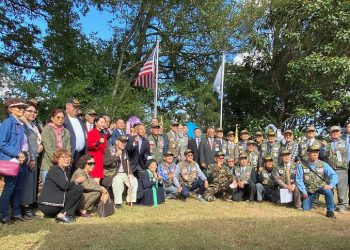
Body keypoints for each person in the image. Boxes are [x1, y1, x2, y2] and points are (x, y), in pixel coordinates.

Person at [0, 98, 28, 224]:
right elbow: (2, 143)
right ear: (10, 109)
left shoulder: (20, 124)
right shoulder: (7, 122)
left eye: (23, 107)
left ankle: (16, 213)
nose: (22, 109)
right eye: (19, 107)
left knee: (18, 188)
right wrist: (17, 154)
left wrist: (22, 156)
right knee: (9, 188)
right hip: (10, 161)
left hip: (20, 160)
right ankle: (4, 215)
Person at [38, 149, 84, 223]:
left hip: (53, 204)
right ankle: (64, 215)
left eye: (68, 157)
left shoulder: (64, 170)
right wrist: (76, 181)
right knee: (78, 188)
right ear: (57, 159)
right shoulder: (55, 169)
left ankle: (63, 213)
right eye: (64, 157)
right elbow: (65, 186)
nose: (67, 159)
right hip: (48, 205)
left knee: (77, 188)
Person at [296, 145, 338, 218]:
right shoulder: (301, 165)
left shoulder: (323, 164)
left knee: (328, 191)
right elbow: (299, 179)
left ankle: (330, 211)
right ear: (308, 153)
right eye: (312, 152)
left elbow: (334, 175)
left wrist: (331, 185)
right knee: (306, 208)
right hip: (309, 189)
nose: (315, 154)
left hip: (320, 186)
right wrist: (304, 192)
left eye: (316, 152)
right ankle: (312, 200)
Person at [20, 100, 43, 218]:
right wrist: (31, 158)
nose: (33, 113)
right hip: (28, 158)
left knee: (32, 183)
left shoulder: (33, 124)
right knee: (26, 185)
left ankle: (29, 206)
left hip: (35, 156)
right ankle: (26, 210)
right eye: (30, 111)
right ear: (23, 111)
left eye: (35, 111)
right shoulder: (22, 124)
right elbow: (24, 143)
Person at [320, 126, 349, 213]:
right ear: (330, 134)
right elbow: (322, 156)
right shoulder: (327, 144)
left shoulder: (345, 143)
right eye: (333, 132)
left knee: (341, 188)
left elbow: (349, 155)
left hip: (342, 169)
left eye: (336, 131)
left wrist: (345, 165)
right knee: (329, 188)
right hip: (330, 170)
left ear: (340, 133)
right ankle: (330, 204)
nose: (335, 133)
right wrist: (323, 147)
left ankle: (341, 206)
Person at [104, 135, 138, 208]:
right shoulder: (109, 150)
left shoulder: (124, 152)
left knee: (134, 180)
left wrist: (130, 174)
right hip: (113, 174)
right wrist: (116, 155)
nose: (124, 144)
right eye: (122, 142)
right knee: (118, 180)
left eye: (125, 142)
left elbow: (128, 165)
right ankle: (118, 203)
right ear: (116, 142)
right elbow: (105, 162)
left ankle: (130, 200)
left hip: (124, 173)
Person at [41, 108, 71, 184]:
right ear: (52, 118)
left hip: (63, 164)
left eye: (62, 118)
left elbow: (68, 146)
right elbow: (48, 148)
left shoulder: (66, 131)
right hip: (49, 163)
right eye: (58, 117)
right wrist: (58, 161)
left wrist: (66, 158)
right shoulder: (46, 129)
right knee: (47, 187)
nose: (60, 119)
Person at [63, 97, 86, 172]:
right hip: (69, 154)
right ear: (67, 106)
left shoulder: (80, 120)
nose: (76, 109)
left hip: (80, 155)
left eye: (77, 107)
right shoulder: (62, 119)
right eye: (74, 106)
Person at [87, 116, 107, 183]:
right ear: (96, 123)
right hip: (94, 160)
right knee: (95, 181)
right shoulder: (91, 132)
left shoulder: (104, 134)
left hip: (101, 160)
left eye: (104, 122)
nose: (103, 124)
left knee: (98, 180)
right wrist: (98, 142)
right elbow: (89, 146)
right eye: (101, 122)